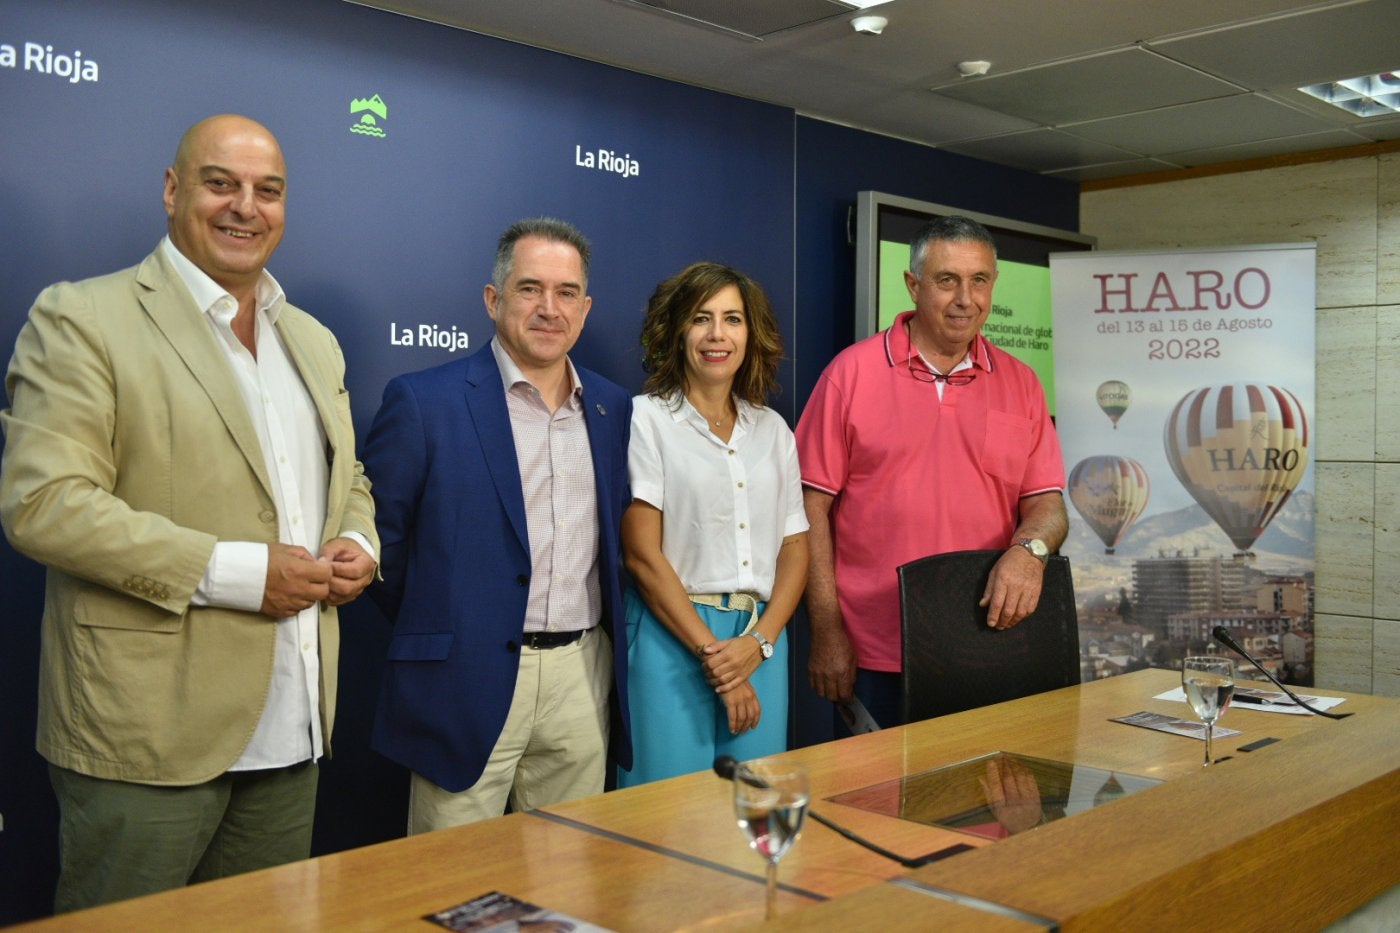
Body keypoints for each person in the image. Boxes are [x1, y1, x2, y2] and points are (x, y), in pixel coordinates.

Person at [0, 114, 379, 912]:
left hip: (294, 726)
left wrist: (356, 538)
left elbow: (346, 476)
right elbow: (43, 503)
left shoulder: (312, 340)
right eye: (221, 183)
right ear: (173, 191)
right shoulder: (82, 318)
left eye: (267, 190)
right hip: (146, 735)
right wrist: (244, 574)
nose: (246, 206)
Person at [363, 217, 632, 832]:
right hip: (462, 679)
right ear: (493, 299)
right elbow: (382, 547)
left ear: (585, 310)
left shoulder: (613, 407)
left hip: (581, 679)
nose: (549, 308)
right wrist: (454, 623)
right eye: (529, 288)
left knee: (566, 887)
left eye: (566, 293)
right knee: (450, 888)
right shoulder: (424, 401)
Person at [794, 215, 1068, 729]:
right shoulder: (849, 375)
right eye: (947, 280)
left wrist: (1029, 552)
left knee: (980, 803)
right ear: (913, 284)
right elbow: (809, 509)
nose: (966, 298)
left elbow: (1046, 503)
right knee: (872, 804)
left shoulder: (1024, 384)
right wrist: (827, 630)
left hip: (989, 641)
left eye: (979, 280)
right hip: (875, 652)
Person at [617, 263, 809, 787]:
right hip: (672, 637)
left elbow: (795, 547)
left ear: (752, 333)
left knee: (753, 811)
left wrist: (760, 643)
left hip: (760, 643)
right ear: (678, 330)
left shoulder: (773, 431)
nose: (717, 335)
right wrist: (715, 658)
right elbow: (641, 555)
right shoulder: (645, 419)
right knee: (668, 821)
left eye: (732, 319)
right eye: (702, 319)